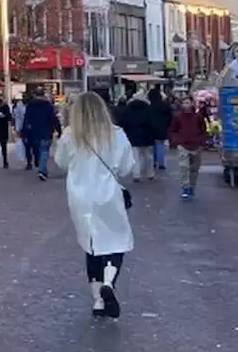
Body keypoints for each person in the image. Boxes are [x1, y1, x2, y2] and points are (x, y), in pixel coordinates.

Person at [52, 92, 136, 319]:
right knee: (116, 240)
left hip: (80, 196)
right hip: (108, 194)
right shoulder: (116, 134)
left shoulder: (71, 135)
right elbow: (127, 166)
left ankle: (98, 299)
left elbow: (60, 162)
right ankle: (109, 282)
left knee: (91, 243)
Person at [168, 95, 209, 200]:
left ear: (192, 103)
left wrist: (202, 143)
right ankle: (185, 187)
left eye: (187, 102)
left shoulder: (198, 116)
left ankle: (192, 186)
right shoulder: (177, 117)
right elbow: (173, 130)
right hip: (183, 145)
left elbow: (203, 129)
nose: (185, 105)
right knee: (184, 167)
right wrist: (176, 141)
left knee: (194, 168)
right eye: (183, 103)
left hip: (196, 145)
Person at [22, 88, 60, 181]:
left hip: (34, 132)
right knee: (44, 151)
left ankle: (42, 169)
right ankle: (42, 170)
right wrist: (58, 130)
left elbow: (26, 120)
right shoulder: (48, 106)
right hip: (46, 131)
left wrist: (24, 133)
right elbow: (53, 119)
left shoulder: (30, 106)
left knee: (38, 150)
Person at [118, 93, 156, 183]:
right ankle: (150, 173)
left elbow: (124, 122)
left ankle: (136, 174)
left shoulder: (128, 109)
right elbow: (152, 122)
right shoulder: (148, 108)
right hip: (147, 135)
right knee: (148, 157)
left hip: (133, 135)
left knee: (135, 157)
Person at [148, 87, 173, 171]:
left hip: (151, 127)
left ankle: (154, 162)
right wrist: (167, 124)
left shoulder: (150, 106)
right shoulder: (164, 105)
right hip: (162, 126)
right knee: (160, 144)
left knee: (153, 145)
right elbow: (170, 115)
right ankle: (161, 163)